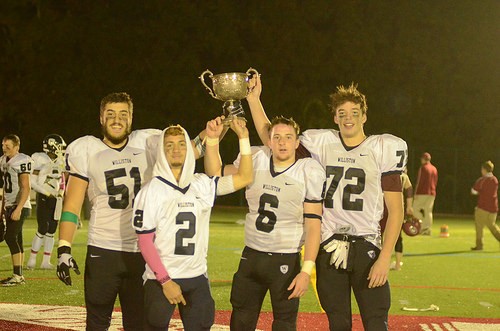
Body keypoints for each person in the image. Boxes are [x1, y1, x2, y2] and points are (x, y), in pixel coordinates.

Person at [246, 75, 407, 330]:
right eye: (341, 113)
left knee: (376, 322)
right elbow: (275, 137)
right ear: (334, 118)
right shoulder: (321, 143)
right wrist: (254, 100)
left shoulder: (383, 148)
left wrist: (385, 257)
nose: (348, 117)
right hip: (329, 247)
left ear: (364, 116)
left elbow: (397, 211)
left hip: (367, 245)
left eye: (354, 112)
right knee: (337, 322)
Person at [56, 92, 206, 330]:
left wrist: (217, 129)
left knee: (138, 323)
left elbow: (188, 151)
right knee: (96, 323)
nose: (117, 120)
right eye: (111, 114)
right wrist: (64, 247)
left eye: (123, 114)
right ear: (101, 118)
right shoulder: (86, 149)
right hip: (102, 251)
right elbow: (72, 205)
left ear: (131, 118)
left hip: (142, 253)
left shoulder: (146, 142)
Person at [133, 118, 253, 330]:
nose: (176, 149)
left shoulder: (201, 184)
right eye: (169, 145)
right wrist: (165, 281)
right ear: (161, 151)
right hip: (161, 279)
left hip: (197, 277)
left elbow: (244, 177)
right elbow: (144, 242)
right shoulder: (151, 190)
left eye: (181, 144)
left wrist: (243, 138)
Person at [208, 116, 325, 330]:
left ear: (297, 143)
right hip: (251, 256)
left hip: (286, 259)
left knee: (284, 324)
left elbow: (313, 225)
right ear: (268, 142)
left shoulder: (308, 170)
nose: (282, 142)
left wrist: (306, 270)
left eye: (288, 137)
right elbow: (215, 175)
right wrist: (213, 141)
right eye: (277, 137)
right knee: (241, 321)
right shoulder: (256, 158)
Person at [26, 134, 67, 270]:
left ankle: (46, 261)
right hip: (44, 197)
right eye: (59, 146)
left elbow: (62, 180)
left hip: (56, 198)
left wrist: (61, 192)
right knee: (42, 228)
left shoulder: (60, 160)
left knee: (52, 230)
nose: (61, 149)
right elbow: (32, 181)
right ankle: (32, 260)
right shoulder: (38, 158)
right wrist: (46, 193)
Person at [0, 134, 34, 286]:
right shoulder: (2, 160)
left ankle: (18, 276)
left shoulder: (22, 160)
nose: (4, 149)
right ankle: (18, 275)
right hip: (9, 205)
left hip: (20, 205)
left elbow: (26, 187)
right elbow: (5, 188)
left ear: (16, 147)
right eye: (3, 146)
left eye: (8, 146)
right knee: (17, 239)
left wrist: (19, 208)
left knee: (10, 237)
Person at [380, 169, 414, 271]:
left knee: (378, 234)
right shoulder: (403, 176)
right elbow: (409, 191)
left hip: (382, 206)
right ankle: (398, 263)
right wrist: (409, 206)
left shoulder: (383, 171)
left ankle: (379, 261)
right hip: (396, 207)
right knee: (397, 236)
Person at [470, 160, 499, 251]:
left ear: (484, 169)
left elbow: (473, 191)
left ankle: (479, 245)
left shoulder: (482, 180)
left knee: (479, 226)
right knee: (492, 226)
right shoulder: (495, 179)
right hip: (494, 207)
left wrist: (479, 192)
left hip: (483, 207)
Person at [413, 152, 438, 235]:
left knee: (414, 209)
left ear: (423, 159)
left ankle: (423, 225)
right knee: (428, 211)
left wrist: (415, 193)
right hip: (432, 193)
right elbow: (436, 181)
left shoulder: (423, 168)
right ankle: (427, 229)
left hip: (422, 192)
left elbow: (419, 181)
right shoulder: (434, 168)